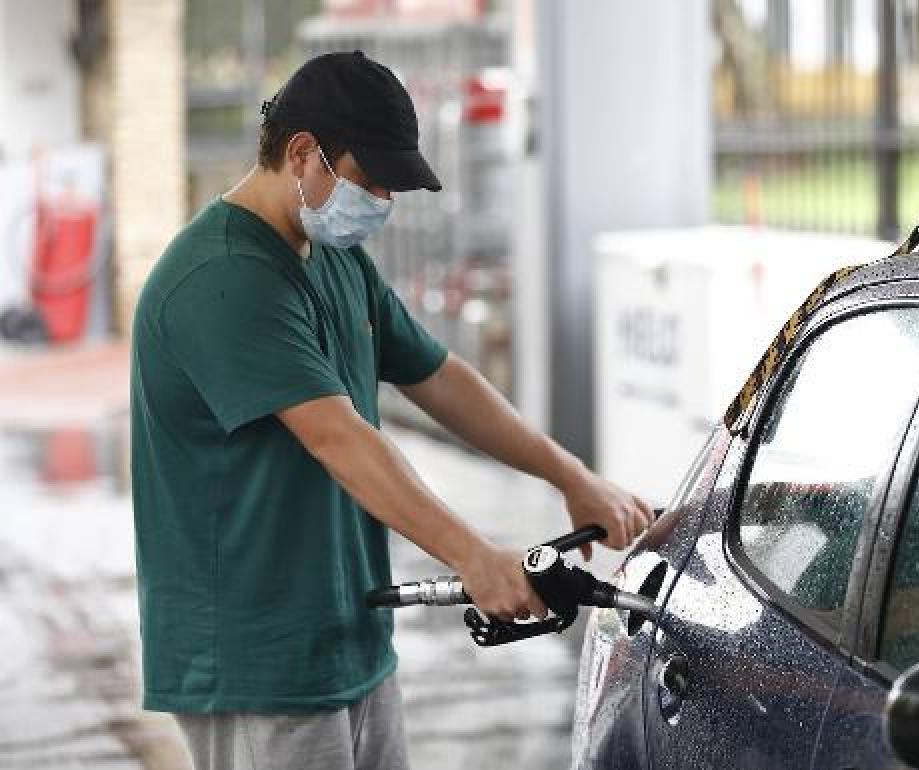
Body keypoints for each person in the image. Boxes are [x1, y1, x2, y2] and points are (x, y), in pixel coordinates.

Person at [129, 51, 653, 770]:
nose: (381, 199)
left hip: (348, 633)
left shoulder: (335, 258)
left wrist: (569, 474)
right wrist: (472, 556)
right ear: (303, 153)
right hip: (259, 661)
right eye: (369, 178)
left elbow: (438, 377)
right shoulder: (223, 277)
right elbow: (336, 437)